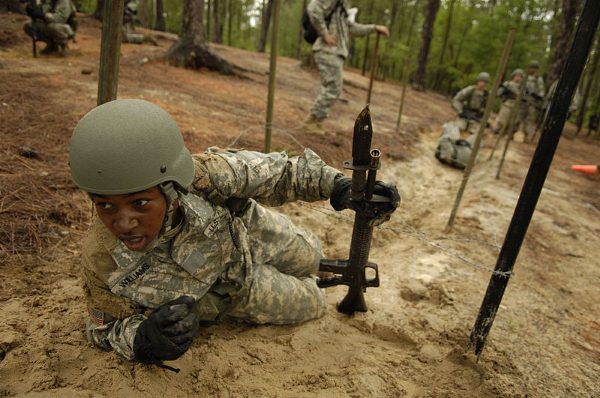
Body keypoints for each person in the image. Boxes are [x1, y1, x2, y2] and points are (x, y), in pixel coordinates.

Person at [69, 99, 399, 369]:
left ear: (171, 189)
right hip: (234, 295)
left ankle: (320, 268)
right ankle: (318, 281)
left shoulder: (203, 177)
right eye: (105, 206)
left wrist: (338, 186)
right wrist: (142, 339)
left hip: (253, 233)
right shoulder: (104, 261)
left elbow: (279, 174)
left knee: (311, 254)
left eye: (140, 203)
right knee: (314, 302)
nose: (124, 223)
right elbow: (102, 326)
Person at [304, 0, 389, 133]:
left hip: (334, 53)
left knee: (332, 88)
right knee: (334, 88)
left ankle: (317, 121)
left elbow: (353, 28)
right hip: (328, 51)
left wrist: (374, 28)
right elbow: (313, 7)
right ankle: (311, 121)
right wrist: (324, 33)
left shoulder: (342, 8)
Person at [519, 60, 545, 143]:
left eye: (534, 68)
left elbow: (541, 92)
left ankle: (526, 137)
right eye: (531, 67)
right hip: (522, 102)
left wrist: (536, 95)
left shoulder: (538, 79)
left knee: (529, 120)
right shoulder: (523, 77)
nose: (532, 69)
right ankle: (510, 134)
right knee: (517, 118)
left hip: (531, 103)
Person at [495, 69, 524, 135]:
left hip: (516, 106)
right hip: (507, 104)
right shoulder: (507, 84)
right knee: (502, 120)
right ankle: (498, 131)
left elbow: (524, 97)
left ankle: (509, 134)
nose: (518, 78)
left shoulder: (522, 87)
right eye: (517, 76)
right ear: (513, 76)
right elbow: (499, 93)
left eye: (520, 76)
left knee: (513, 122)